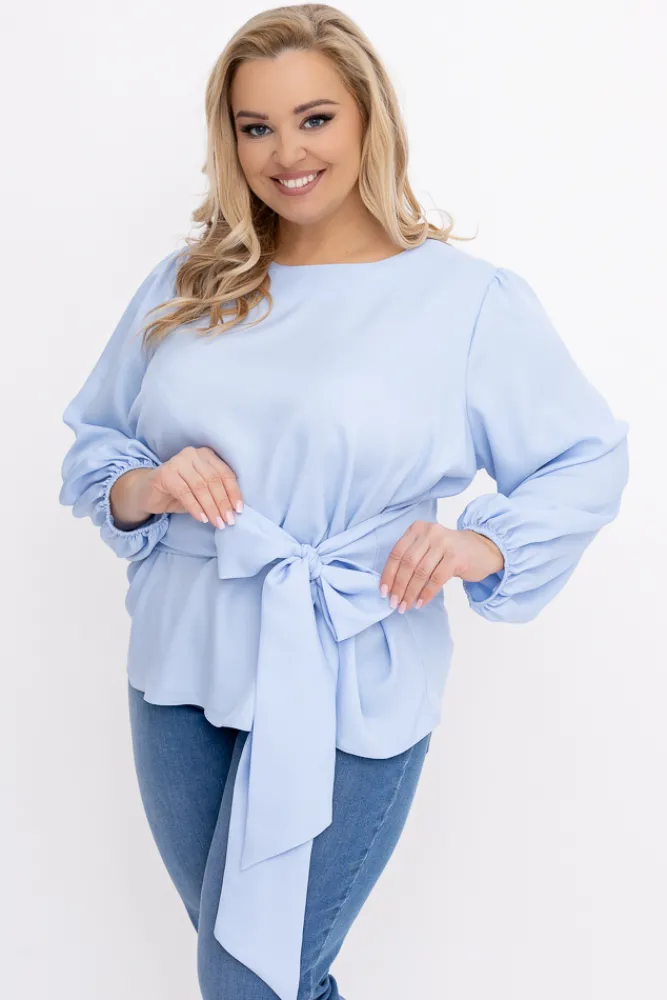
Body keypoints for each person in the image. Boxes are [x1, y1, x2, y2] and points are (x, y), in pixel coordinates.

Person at [57, 5, 630, 1000]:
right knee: (258, 975)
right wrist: (148, 485)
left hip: (349, 664)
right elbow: (98, 445)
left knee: (251, 976)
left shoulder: (465, 302)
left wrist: (481, 545)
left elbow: (586, 457)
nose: (287, 154)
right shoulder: (187, 286)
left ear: (369, 118)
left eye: (314, 118)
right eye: (257, 127)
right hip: (183, 660)